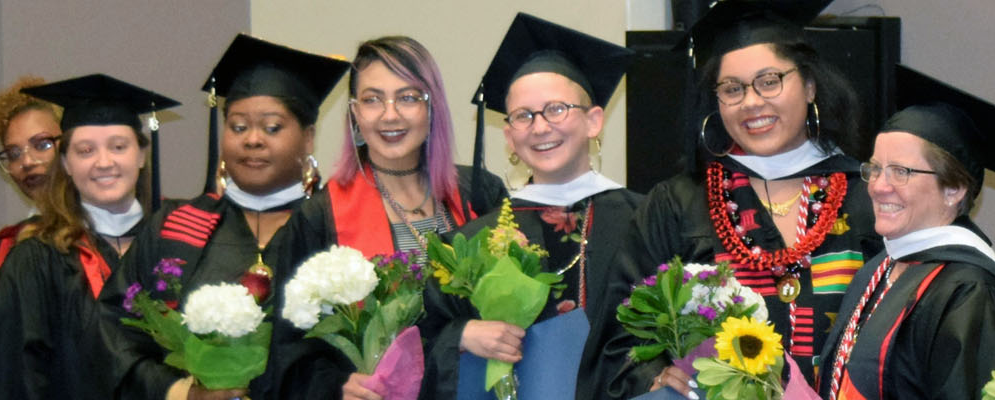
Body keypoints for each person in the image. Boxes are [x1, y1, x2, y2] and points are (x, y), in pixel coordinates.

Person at [618, 2, 995, 396]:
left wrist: (979, 272)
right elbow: (622, 328)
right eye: (731, 89)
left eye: (769, 81)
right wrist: (652, 373)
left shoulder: (869, 192)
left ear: (809, 85)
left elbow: (940, 288)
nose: (751, 102)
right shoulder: (678, 204)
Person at [98, 34, 347, 400]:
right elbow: (114, 335)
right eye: (238, 126)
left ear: (308, 138)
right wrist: (181, 393)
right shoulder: (174, 226)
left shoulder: (335, 227)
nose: (252, 140)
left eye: (272, 127)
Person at [260, 34, 509, 399]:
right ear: (355, 114)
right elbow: (288, 350)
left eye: (408, 98)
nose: (390, 114)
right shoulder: (320, 216)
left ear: (431, 107)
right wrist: (335, 386)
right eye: (373, 100)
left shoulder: (480, 195)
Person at [407, 13, 640, 400]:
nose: (540, 127)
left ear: (594, 121)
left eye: (557, 109)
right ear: (510, 138)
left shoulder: (645, 219)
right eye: (523, 116)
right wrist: (461, 334)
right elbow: (419, 341)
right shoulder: (470, 242)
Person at [819, 67, 995, 399]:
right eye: (875, 169)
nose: (878, 187)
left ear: (955, 188)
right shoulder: (876, 271)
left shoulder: (969, 290)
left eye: (900, 172)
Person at [0, 74, 178, 399]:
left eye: (118, 146)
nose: (104, 162)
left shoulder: (180, 242)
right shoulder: (35, 260)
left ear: (141, 155)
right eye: (85, 150)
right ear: (66, 163)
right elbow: (13, 380)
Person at [0, 76, 67, 276]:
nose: (26, 162)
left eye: (42, 145)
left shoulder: (113, 233)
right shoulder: (4, 251)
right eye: (13, 154)